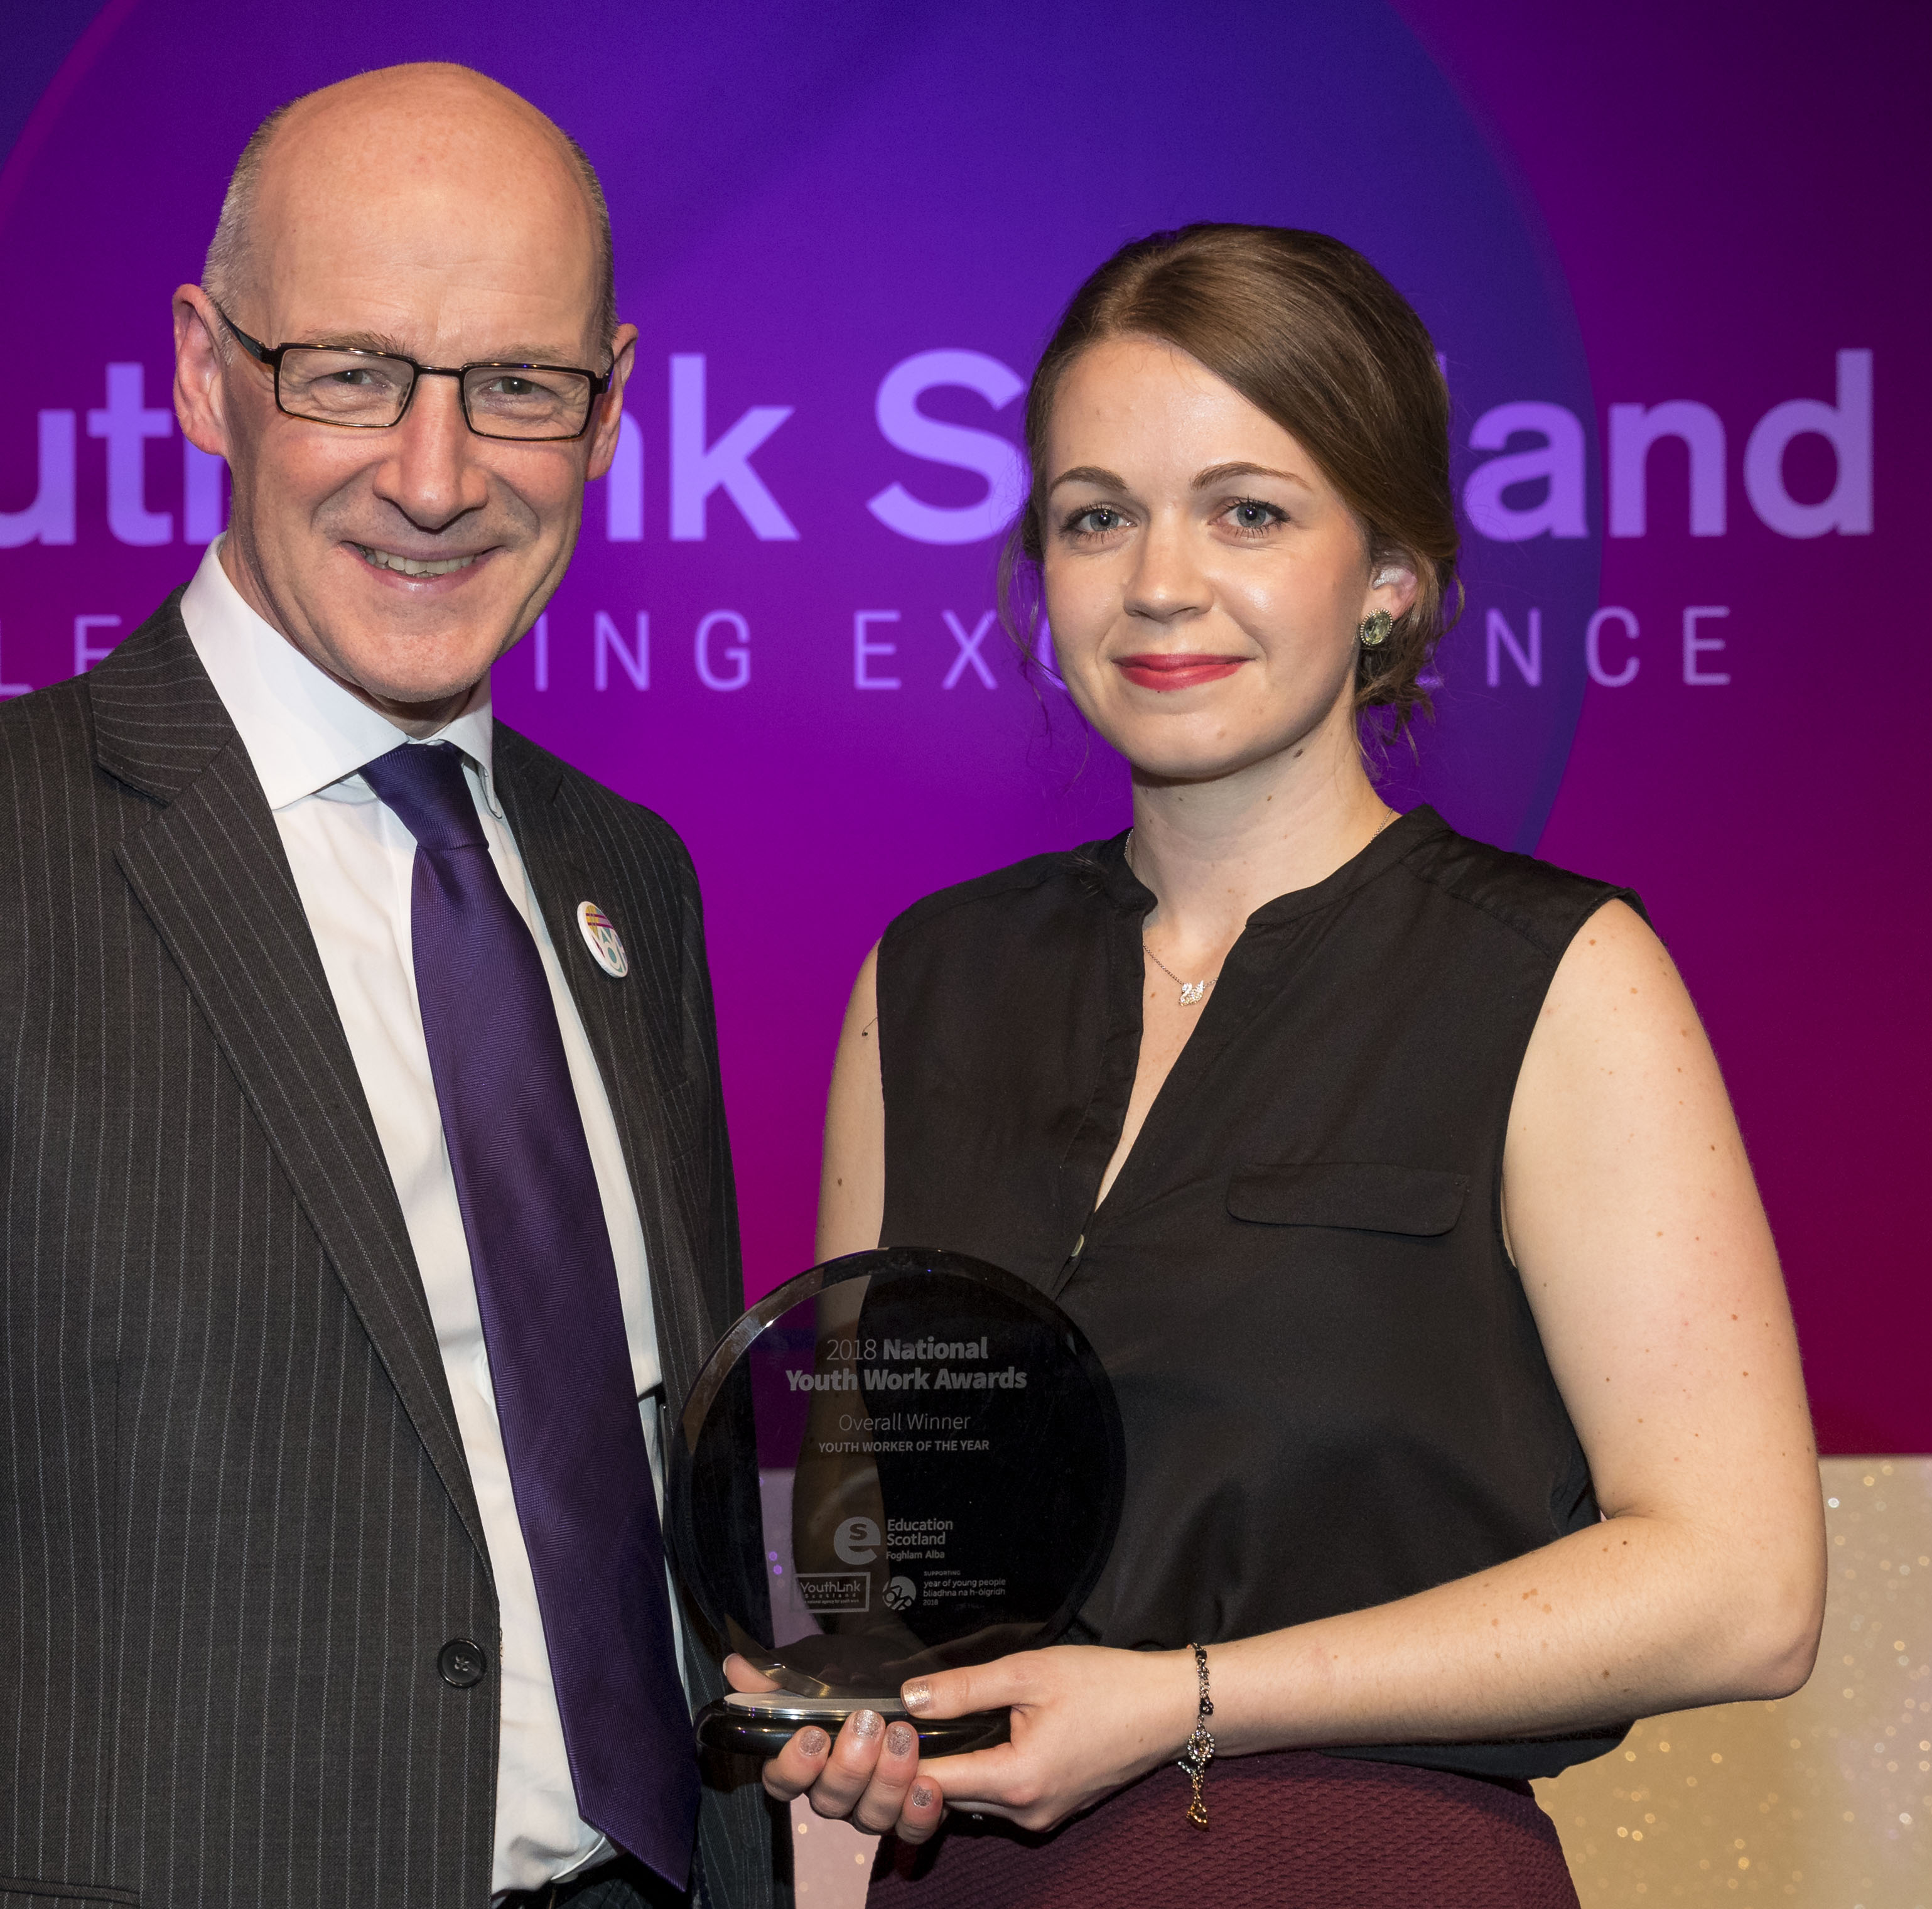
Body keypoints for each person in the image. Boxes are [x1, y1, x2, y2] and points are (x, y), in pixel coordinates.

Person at [0, 64, 776, 1909]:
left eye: (517, 387)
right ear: (201, 370)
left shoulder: (625, 877)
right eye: (350, 372)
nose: (434, 471)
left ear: (613, 406)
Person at [733, 224, 1827, 1904]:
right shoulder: (930, 977)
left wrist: (1183, 1701)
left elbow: (1742, 1589)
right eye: (1099, 516)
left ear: (1390, 572)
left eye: (1249, 510)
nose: (1162, 580)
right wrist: (866, 1719)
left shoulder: (1554, 977)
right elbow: (868, 1544)